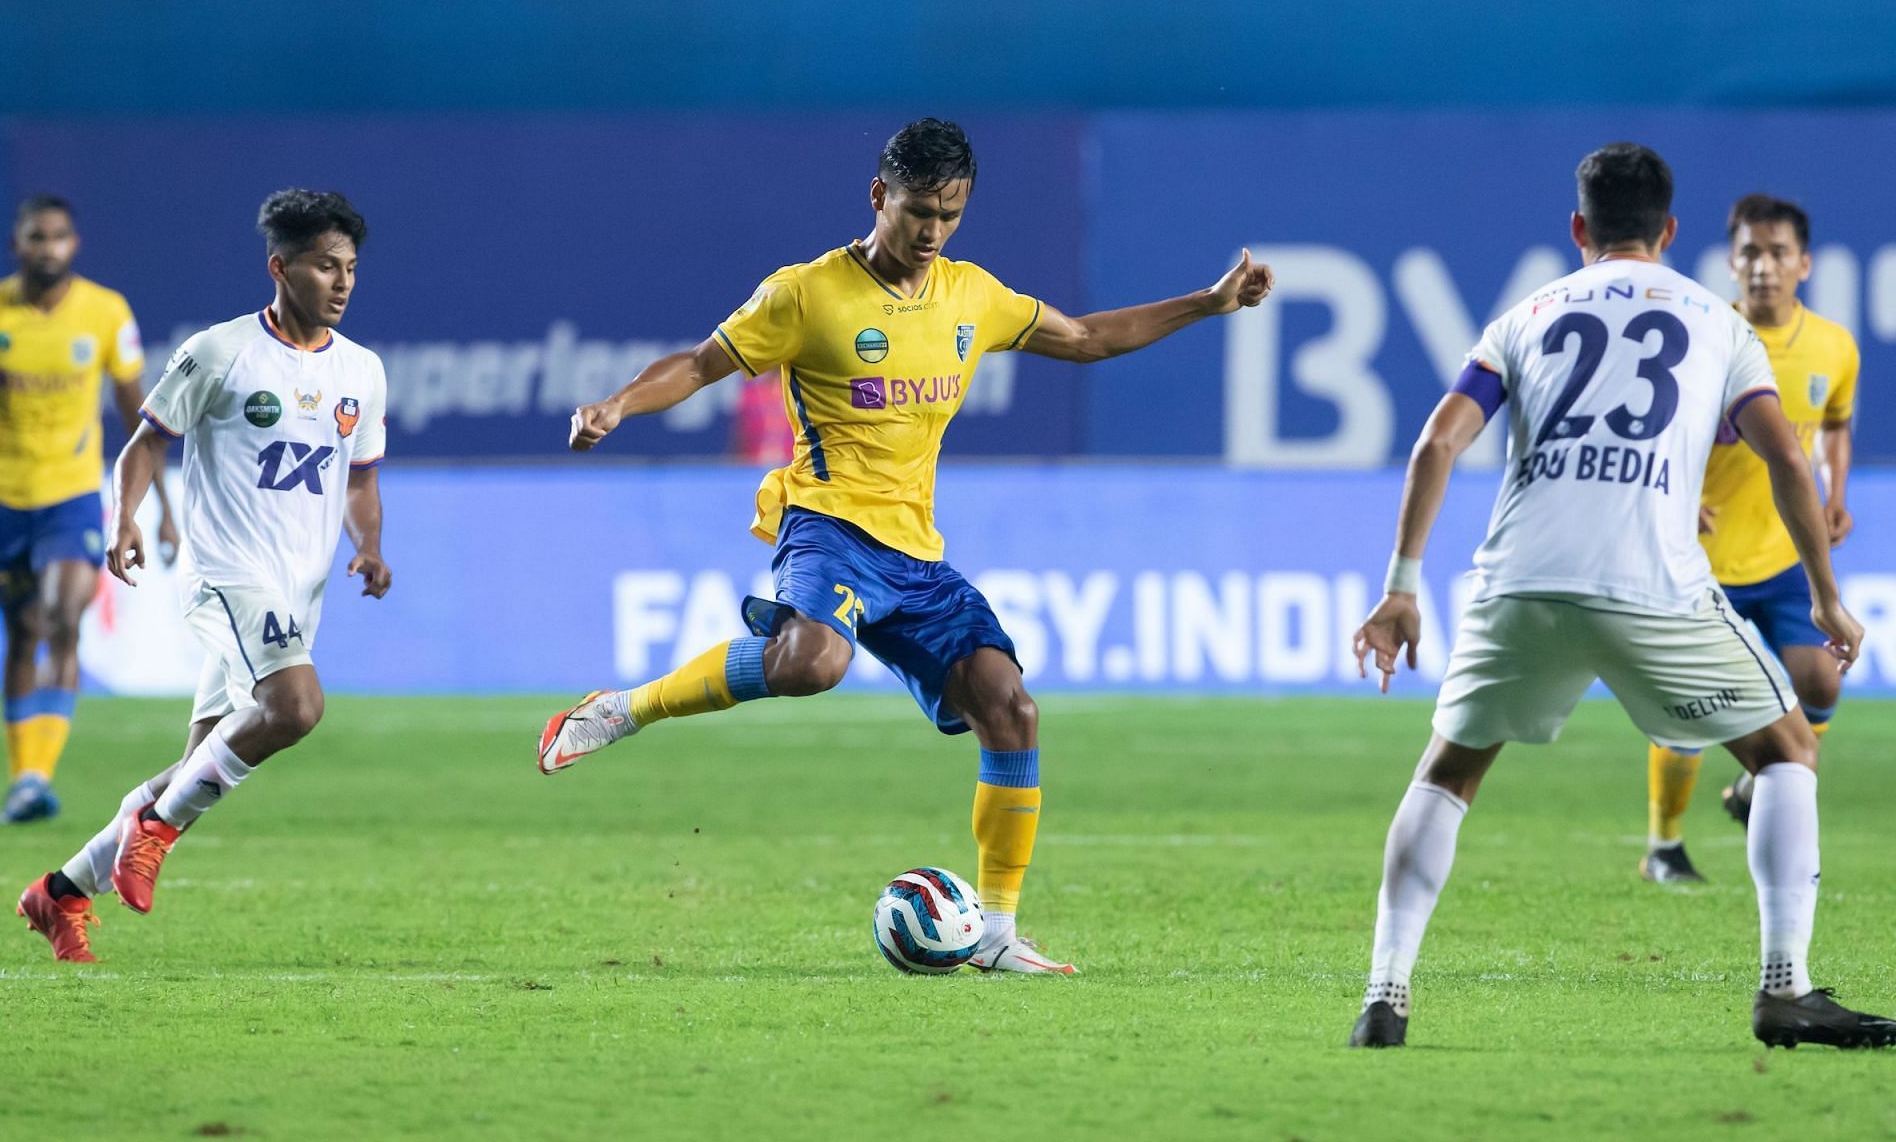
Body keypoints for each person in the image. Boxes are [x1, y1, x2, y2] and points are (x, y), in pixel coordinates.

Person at [537, 118, 1273, 974]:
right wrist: (618, 405)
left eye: (950, 215)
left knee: (1011, 708)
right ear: (879, 196)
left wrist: (1208, 303)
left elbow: (1085, 338)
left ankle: (995, 935)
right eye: (918, 211)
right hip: (828, 523)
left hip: (915, 556)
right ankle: (622, 709)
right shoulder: (806, 294)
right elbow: (702, 364)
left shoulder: (971, 295)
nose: (931, 233)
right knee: (812, 662)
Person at [1348, 143, 1892, 1049]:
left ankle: (1383, 999)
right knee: (1788, 748)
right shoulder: (1718, 322)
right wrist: (1828, 597)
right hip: (1649, 581)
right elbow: (1788, 456)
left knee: (1447, 774)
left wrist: (1401, 587)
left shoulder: (1524, 315)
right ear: (1671, 232)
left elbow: (1437, 445)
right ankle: (1785, 989)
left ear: (1577, 230)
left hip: (1518, 582)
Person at [15, 189, 391, 963]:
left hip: (297, 593)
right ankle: (153, 832)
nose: (343, 283)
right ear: (280, 268)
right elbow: (145, 445)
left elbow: (359, 481)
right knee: (296, 706)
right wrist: (124, 518)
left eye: (351, 267)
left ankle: (61, 892)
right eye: (327, 266)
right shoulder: (219, 352)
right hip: (226, 576)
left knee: (197, 767)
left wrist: (371, 546)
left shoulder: (363, 371)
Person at [1641, 194, 1858, 883]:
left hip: (1783, 554)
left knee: (1820, 675)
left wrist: (1838, 494)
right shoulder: (1702, 335)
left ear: (1804, 264)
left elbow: (1833, 423)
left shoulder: (1834, 345)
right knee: (1690, 709)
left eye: (1777, 253)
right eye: (1749, 254)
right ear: (1730, 263)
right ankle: (1664, 847)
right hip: (1701, 561)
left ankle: (1750, 790)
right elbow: (1652, 423)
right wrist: (1673, 492)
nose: (1763, 266)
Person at [0, 195, 177, 824]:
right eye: (37, 237)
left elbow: (136, 413)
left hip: (70, 493)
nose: (49, 248)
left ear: (74, 244)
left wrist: (162, 505)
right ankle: (22, 774)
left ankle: (37, 777)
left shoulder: (104, 312)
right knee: (22, 632)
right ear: (18, 246)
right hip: (2, 491)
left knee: (63, 617)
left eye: (59, 236)